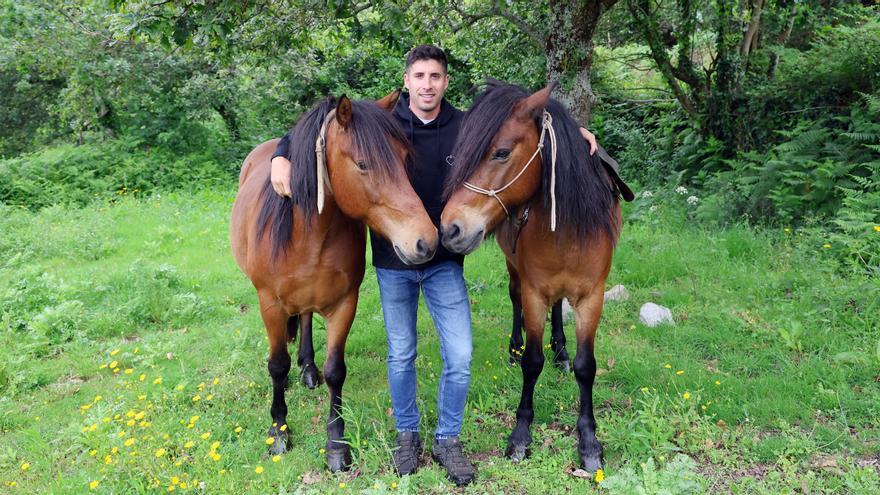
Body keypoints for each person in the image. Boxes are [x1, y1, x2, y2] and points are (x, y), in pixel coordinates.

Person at [268, 45, 598, 486]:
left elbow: (517, 134)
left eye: (436, 76)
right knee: (401, 355)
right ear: (407, 81)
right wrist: (280, 153)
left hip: (444, 262)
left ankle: (447, 439)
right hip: (392, 263)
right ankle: (406, 435)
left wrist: (573, 133)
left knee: (460, 355)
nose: (427, 84)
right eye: (419, 76)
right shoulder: (384, 123)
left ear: (445, 83)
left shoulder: (464, 127)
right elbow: (322, 125)